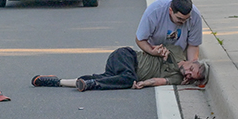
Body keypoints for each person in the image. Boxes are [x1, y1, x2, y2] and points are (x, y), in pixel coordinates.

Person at [31, 44, 208, 92]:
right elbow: (157, 47)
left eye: (194, 77)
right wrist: (158, 51)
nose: (191, 75)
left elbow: (159, 81)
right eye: (193, 69)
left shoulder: (178, 79)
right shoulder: (176, 51)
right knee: (126, 79)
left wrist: (143, 84)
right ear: (192, 61)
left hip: (123, 73)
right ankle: (92, 85)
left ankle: (56, 81)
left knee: (110, 79)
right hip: (126, 57)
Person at [135, 0, 202, 63]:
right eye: (179, 18)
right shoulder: (154, 11)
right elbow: (140, 39)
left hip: (179, 54)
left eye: (186, 19)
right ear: (170, 10)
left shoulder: (195, 16)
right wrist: (151, 51)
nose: (183, 22)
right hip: (154, 52)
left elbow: (193, 45)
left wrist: (191, 65)